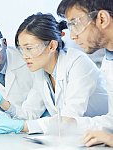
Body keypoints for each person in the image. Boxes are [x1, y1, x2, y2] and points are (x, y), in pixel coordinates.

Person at [0, 13, 108, 135]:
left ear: (52, 45)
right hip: (80, 139)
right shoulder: (41, 73)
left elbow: (67, 120)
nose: (24, 56)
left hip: (104, 136)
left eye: (29, 48)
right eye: (21, 49)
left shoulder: (78, 63)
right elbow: (30, 113)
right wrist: (1, 102)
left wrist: (20, 126)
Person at [57, 0, 113, 147]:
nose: (73, 36)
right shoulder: (109, 60)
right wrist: (74, 124)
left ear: (102, 19)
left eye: (75, 24)